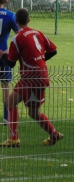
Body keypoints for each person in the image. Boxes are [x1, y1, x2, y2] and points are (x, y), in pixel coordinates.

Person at [0, 8, 63, 147]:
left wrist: (3, 54)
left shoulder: (17, 38)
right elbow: (53, 51)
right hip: (40, 75)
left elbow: (10, 63)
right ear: (29, 20)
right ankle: (53, 135)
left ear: (16, 22)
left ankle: (15, 138)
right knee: (28, 110)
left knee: (15, 105)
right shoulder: (38, 33)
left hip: (30, 77)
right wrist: (40, 60)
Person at [0, 0, 19, 124]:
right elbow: (19, 35)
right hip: (4, 54)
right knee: (5, 85)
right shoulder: (11, 15)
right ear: (5, 1)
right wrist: (10, 51)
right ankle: (6, 117)